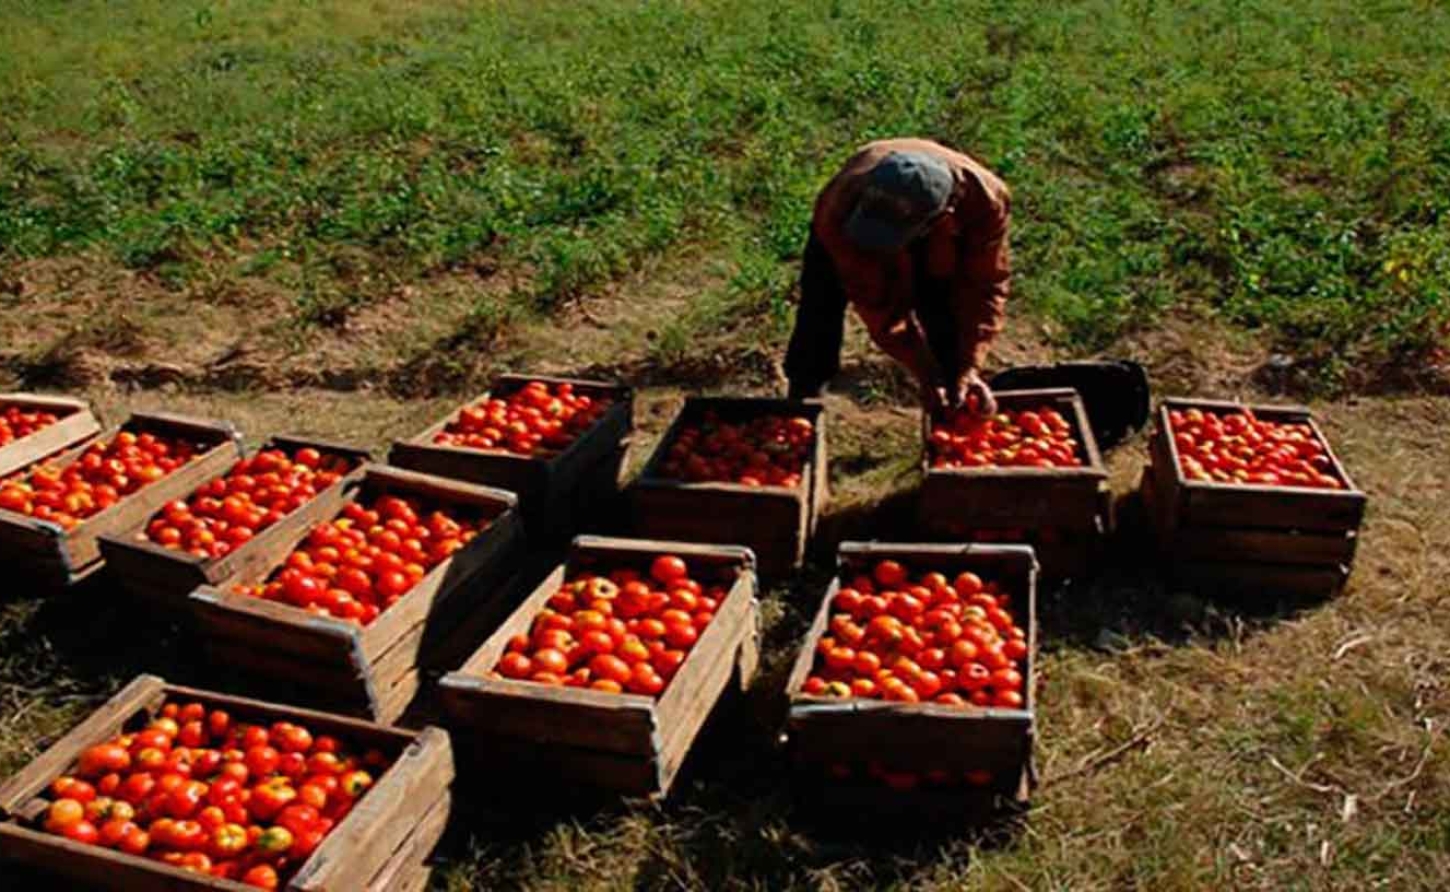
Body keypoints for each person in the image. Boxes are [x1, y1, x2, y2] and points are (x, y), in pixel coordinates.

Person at [784, 138, 1011, 416]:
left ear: (940, 219)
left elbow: (984, 286)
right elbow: (878, 305)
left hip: (944, 229)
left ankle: (955, 394)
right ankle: (803, 395)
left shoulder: (985, 203)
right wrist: (924, 372)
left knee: (942, 302)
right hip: (849, 228)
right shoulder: (840, 210)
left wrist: (969, 364)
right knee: (821, 305)